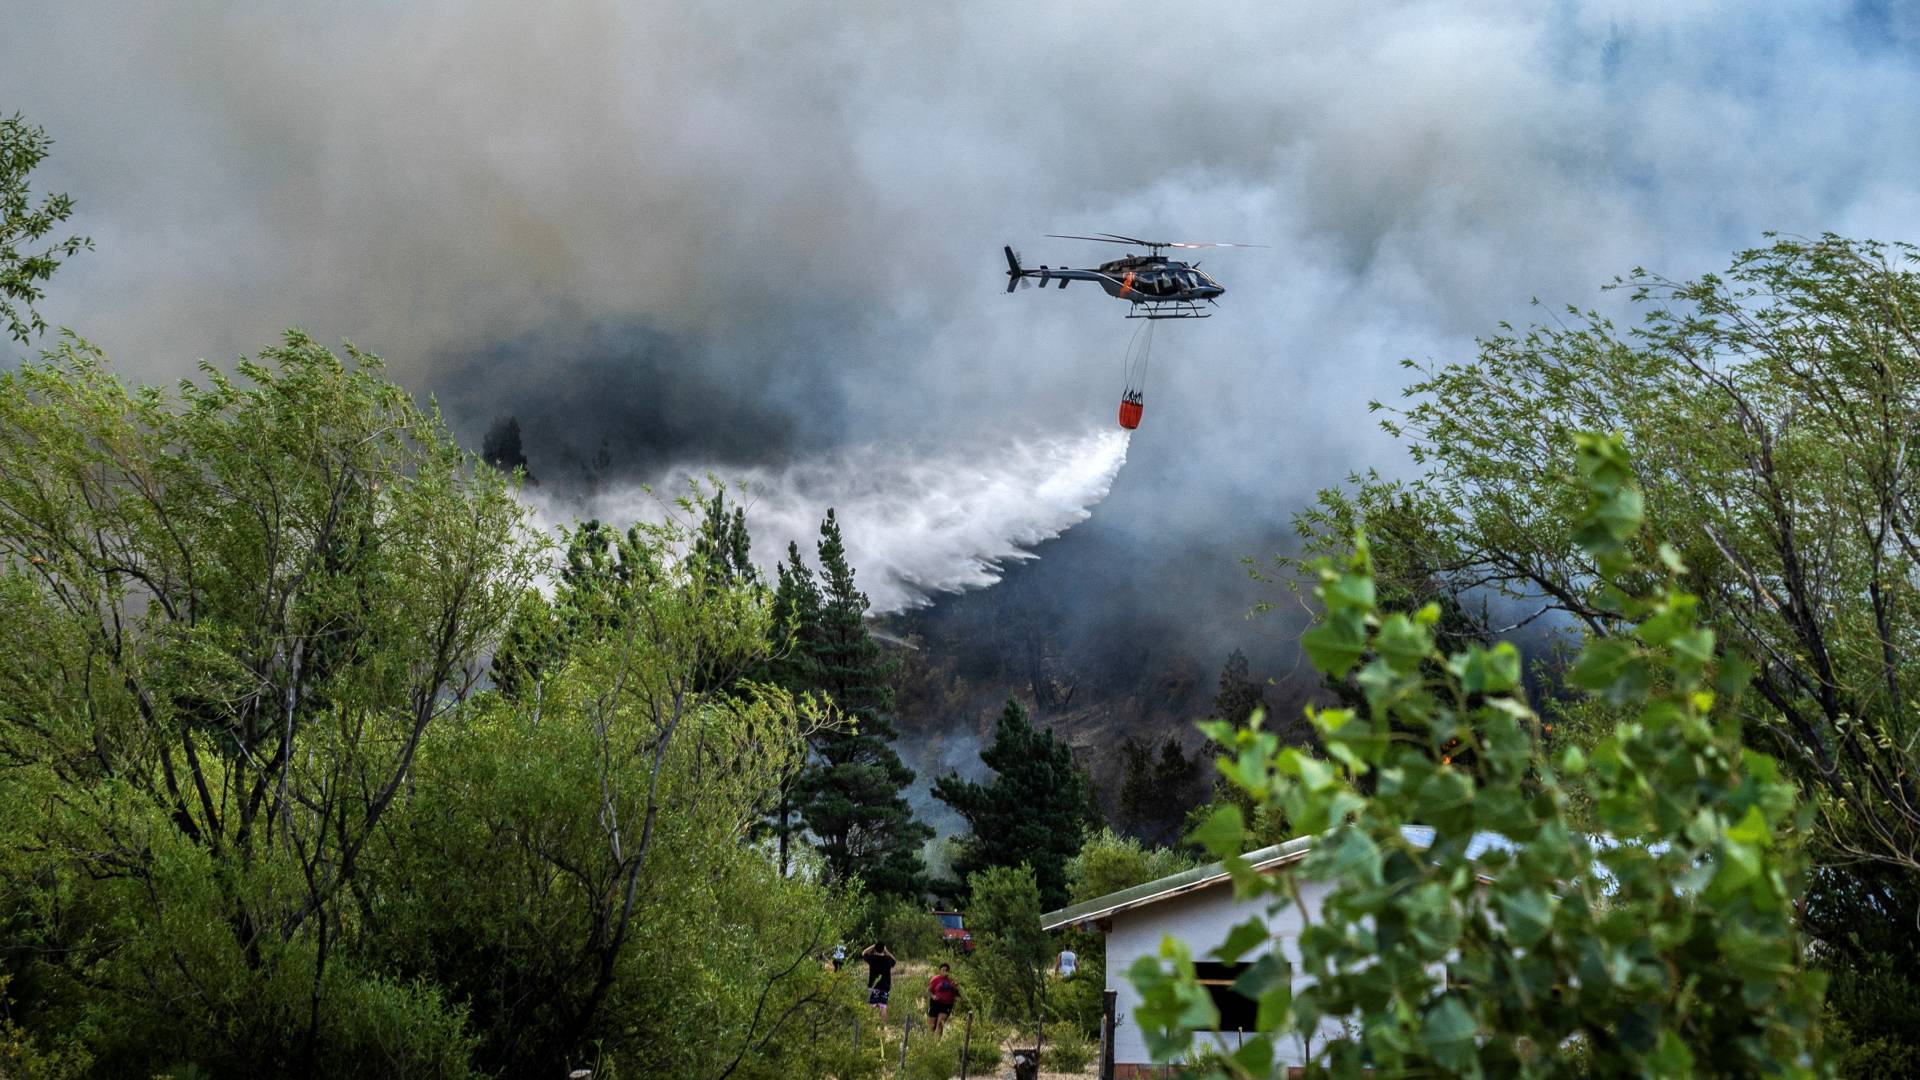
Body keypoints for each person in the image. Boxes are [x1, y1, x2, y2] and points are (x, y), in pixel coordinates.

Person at [861, 941, 897, 1023]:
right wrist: (886, 951)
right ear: (883, 949)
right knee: (883, 1006)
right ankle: (885, 1025)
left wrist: (873, 946)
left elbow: (864, 953)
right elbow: (894, 960)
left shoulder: (872, 958)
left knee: (872, 1005)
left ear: (875, 949)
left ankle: (871, 1024)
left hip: (874, 986)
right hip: (885, 986)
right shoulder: (888, 960)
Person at [926, 962, 960, 1035]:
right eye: (943, 970)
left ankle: (937, 1041)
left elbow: (957, 993)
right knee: (931, 1026)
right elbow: (928, 990)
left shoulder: (951, 980)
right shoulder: (935, 979)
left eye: (946, 970)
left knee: (940, 1024)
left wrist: (955, 987)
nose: (945, 971)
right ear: (940, 970)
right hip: (935, 1003)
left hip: (946, 1005)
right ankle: (930, 1041)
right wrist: (933, 996)